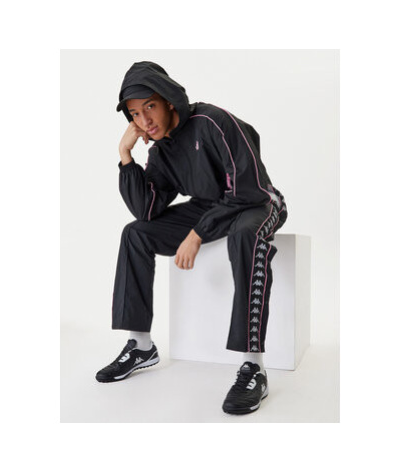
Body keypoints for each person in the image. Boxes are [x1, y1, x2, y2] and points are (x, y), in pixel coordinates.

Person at [95, 61, 288, 415]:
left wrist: (197, 234)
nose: (144, 120)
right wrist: (125, 158)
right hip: (209, 206)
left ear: (168, 100)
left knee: (245, 235)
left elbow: (247, 189)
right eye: (135, 114)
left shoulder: (213, 122)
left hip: (257, 200)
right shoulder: (161, 151)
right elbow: (146, 209)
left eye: (149, 106)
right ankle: (141, 346)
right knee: (135, 234)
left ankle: (253, 367)